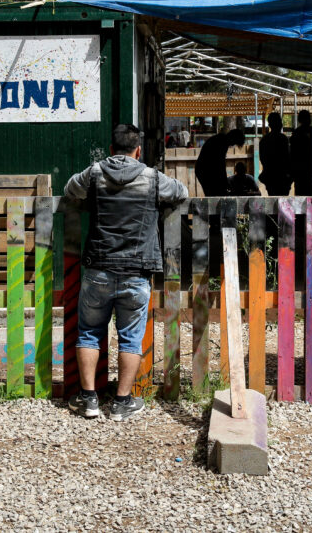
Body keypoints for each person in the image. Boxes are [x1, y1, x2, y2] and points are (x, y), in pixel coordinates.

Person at [63, 124, 188, 420]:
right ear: (138, 150)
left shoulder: (94, 173)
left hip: (99, 270)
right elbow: (180, 192)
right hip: (136, 271)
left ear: (110, 149)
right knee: (130, 338)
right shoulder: (152, 178)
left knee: (89, 333)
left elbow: (70, 190)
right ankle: (122, 403)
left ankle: (89, 400)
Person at [195, 128, 246, 196]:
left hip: (203, 169)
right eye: (235, 143)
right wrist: (224, 182)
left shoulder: (221, 139)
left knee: (213, 194)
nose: (233, 144)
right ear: (233, 138)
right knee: (214, 194)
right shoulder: (222, 142)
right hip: (205, 170)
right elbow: (220, 165)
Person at [259, 112, 292, 196]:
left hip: (270, 176)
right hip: (282, 176)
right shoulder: (283, 139)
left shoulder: (264, 140)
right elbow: (287, 158)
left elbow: (262, 159)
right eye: (279, 121)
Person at [290, 110, 312, 196]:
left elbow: (292, 153)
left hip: (299, 170)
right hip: (311, 169)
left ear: (299, 120)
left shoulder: (296, 133)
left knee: (300, 195)